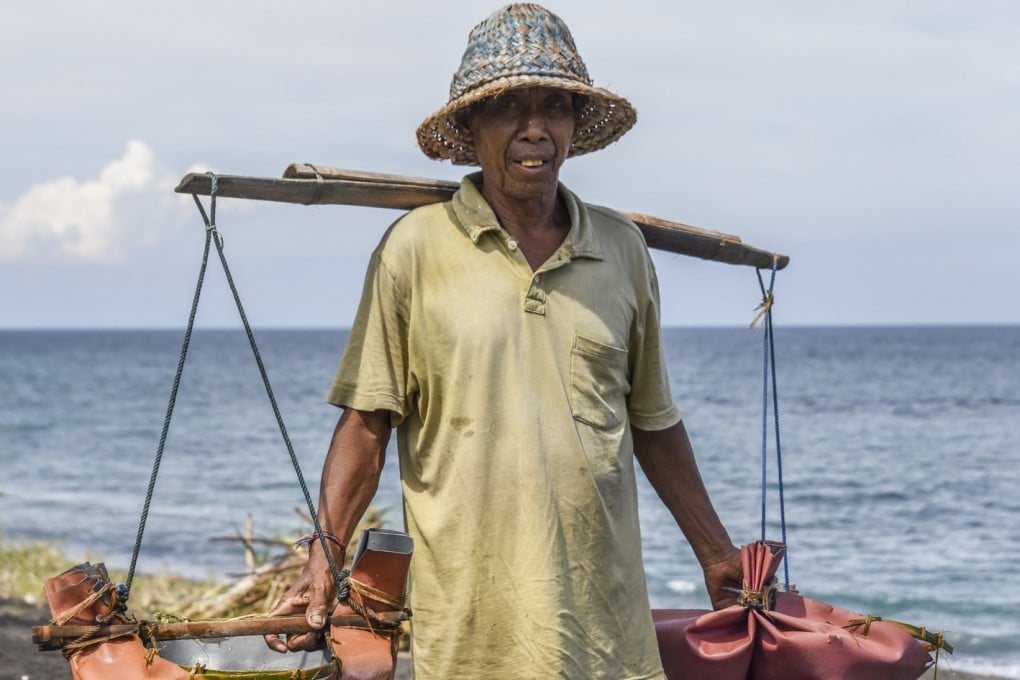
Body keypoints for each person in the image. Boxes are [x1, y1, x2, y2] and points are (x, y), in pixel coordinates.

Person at [266, 4, 742, 677]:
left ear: (576, 126)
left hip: (606, 630)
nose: (535, 128)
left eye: (555, 106)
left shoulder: (622, 251)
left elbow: (654, 424)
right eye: (508, 107)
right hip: (472, 630)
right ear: (470, 125)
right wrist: (326, 552)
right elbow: (368, 422)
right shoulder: (415, 251)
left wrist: (717, 556)